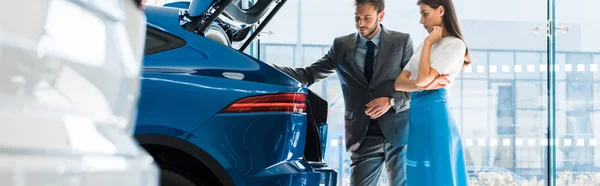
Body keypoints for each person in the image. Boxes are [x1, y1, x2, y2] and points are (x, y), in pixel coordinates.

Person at [273, 0, 443, 185]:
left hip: (399, 131)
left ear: (381, 15)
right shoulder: (342, 46)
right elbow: (309, 74)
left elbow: (416, 86)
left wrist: (390, 101)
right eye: (357, 18)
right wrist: (268, 69)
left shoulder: (401, 42)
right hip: (363, 135)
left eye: (367, 18)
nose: (361, 23)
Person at [394, 0, 471, 185]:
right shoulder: (423, 46)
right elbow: (398, 83)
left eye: (425, 13)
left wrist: (429, 44)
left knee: (438, 175)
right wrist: (424, 85)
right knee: (417, 174)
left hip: (436, 117)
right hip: (417, 116)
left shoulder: (455, 45)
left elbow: (419, 78)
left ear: (441, 10)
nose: (422, 21)